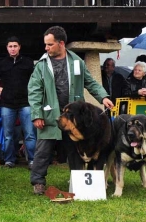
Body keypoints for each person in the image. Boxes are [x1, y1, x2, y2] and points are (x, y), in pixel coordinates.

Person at [27, 26, 113, 195]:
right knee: (43, 150)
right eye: (46, 44)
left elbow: (91, 83)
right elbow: (34, 90)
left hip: (73, 119)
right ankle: (38, 182)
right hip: (49, 116)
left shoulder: (77, 62)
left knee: (75, 151)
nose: (46, 48)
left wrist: (103, 97)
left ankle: (78, 181)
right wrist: (37, 114)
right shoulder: (41, 66)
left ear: (61, 43)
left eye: (50, 44)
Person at [0, 36, 35, 169]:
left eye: (15, 46)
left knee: (29, 134)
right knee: (8, 135)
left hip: (25, 103)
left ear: (19, 47)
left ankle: (32, 160)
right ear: (7, 48)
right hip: (7, 104)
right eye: (10, 46)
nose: (12, 49)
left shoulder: (28, 62)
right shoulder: (2, 63)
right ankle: (9, 161)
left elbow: (36, 80)